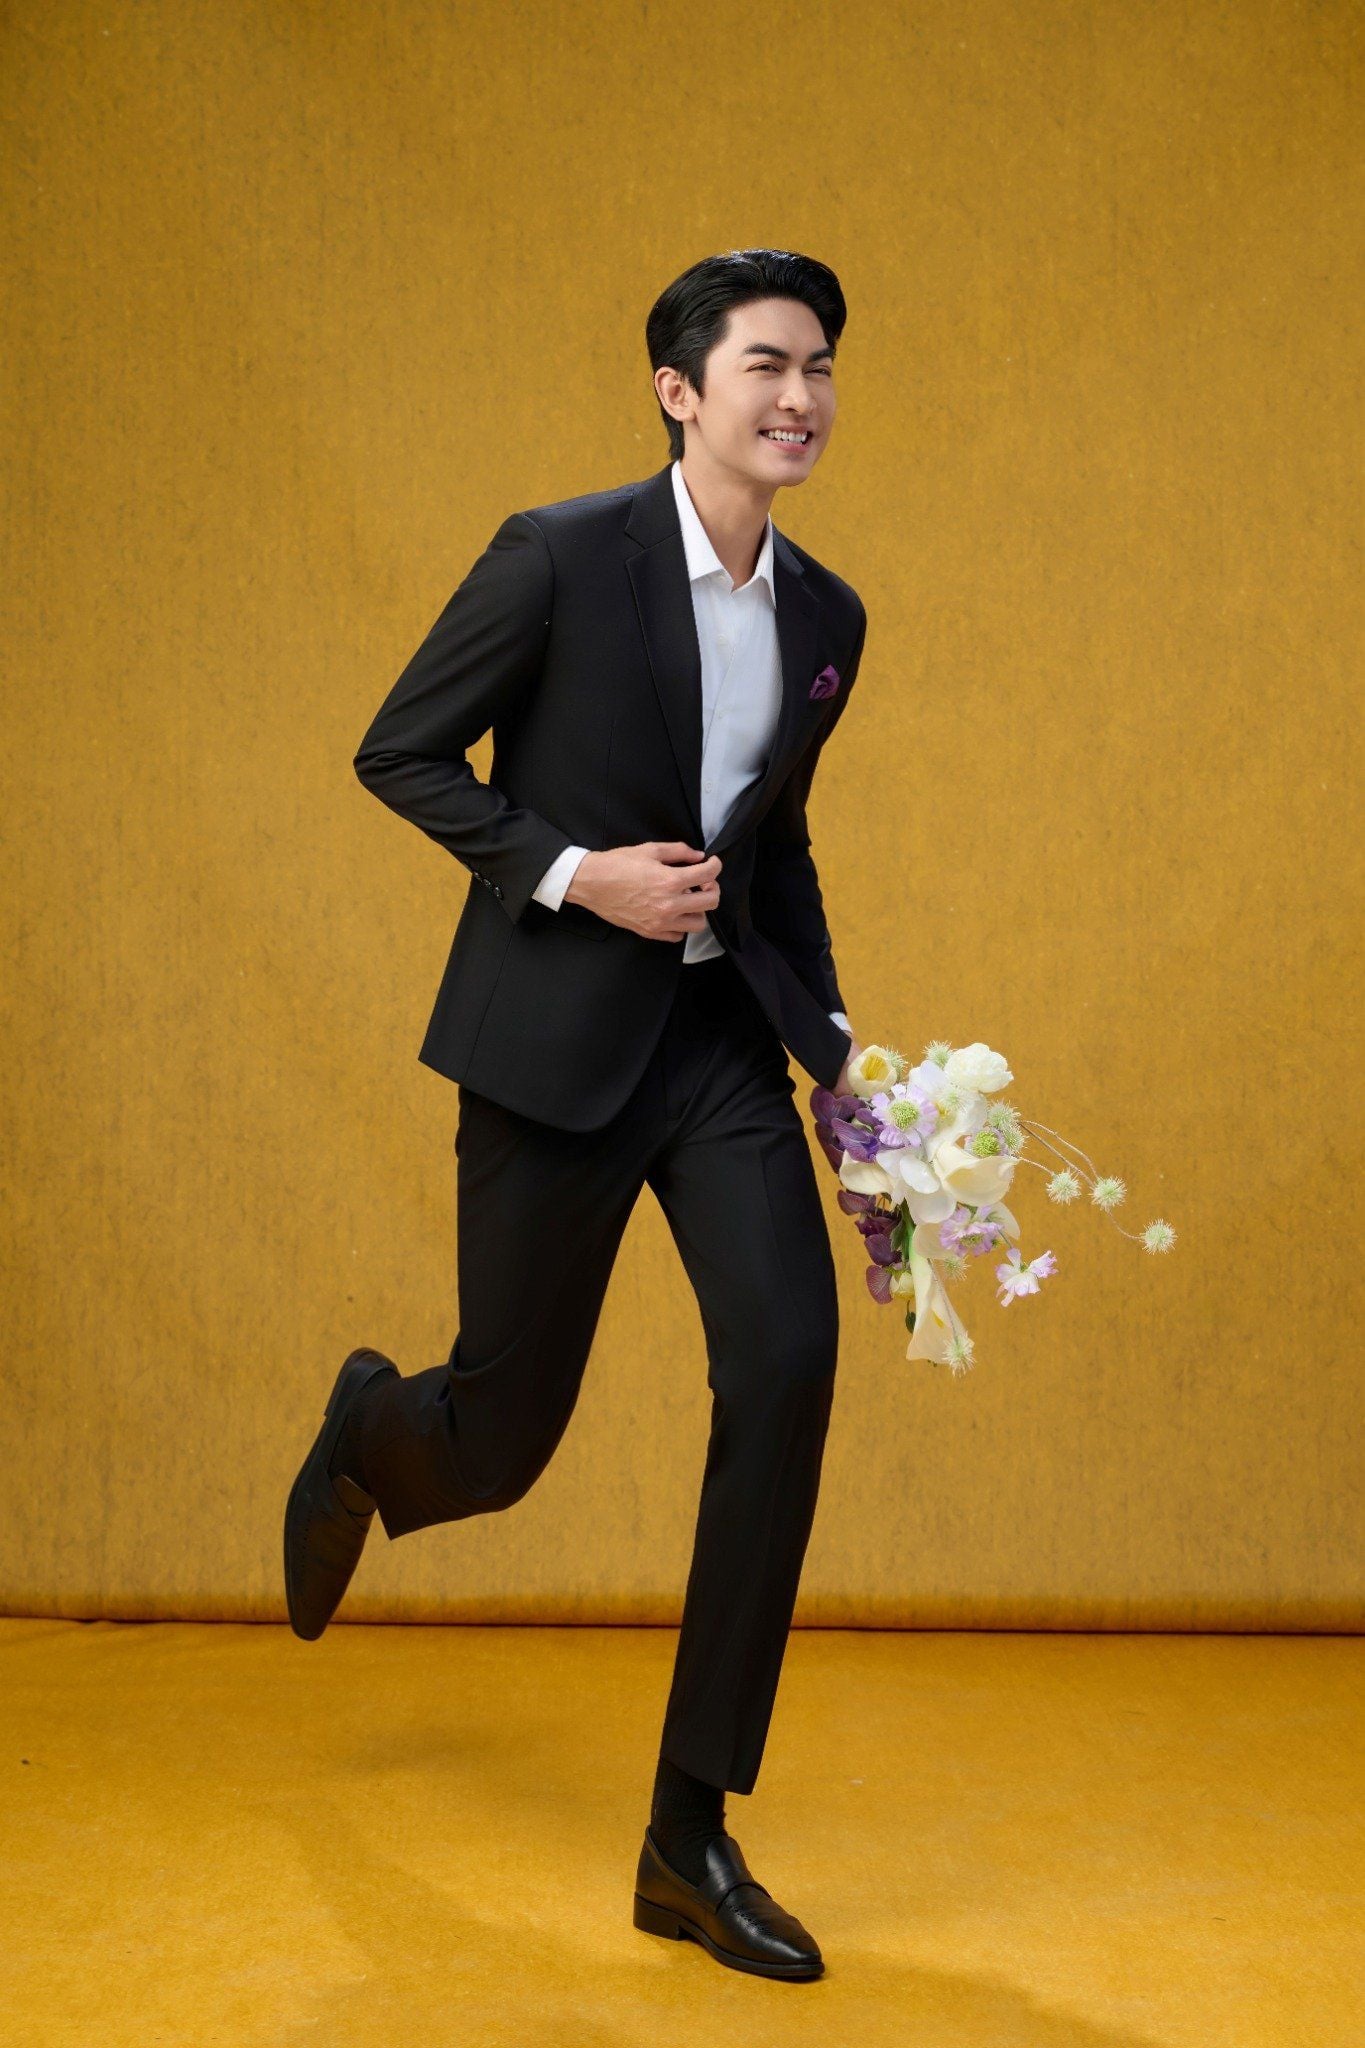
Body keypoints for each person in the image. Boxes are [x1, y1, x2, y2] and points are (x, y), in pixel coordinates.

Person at [284, 248, 870, 1982]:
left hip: (718, 1050)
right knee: (501, 1443)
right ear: (678, 392)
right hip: (551, 1051)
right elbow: (400, 751)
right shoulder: (555, 554)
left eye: (819, 366)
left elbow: (775, 845)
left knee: (787, 1365)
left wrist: (839, 1059)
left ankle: (689, 1835)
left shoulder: (828, 618)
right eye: (764, 364)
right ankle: (374, 1430)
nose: (799, 395)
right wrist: (570, 874)